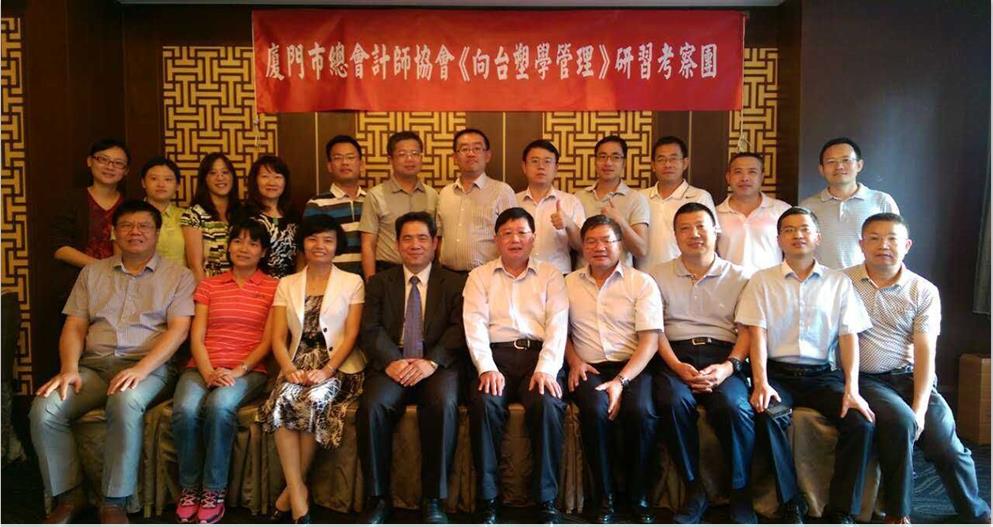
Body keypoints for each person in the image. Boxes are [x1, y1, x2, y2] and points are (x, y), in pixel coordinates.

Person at [30, 199, 195, 524]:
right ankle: (69, 496)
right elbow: (75, 326)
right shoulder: (92, 273)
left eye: (144, 226)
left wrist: (140, 369)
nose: (135, 232)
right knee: (45, 409)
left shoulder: (179, 276)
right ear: (113, 232)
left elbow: (178, 331)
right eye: (127, 226)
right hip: (93, 367)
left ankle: (114, 502)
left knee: (124, 401)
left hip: (149, 368)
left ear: (157, 233)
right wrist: (69, 369)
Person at [845, 213, 991, 524]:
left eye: (892, 239)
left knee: (947, 447)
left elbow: (926, 352)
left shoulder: (923, 290)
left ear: (907, 245)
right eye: (874, 238)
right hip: (867, 379)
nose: (883, 245)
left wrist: (921, 409)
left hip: (911, 377)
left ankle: (976, 514)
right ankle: (898, 513)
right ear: (861, 244)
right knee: (902, 422)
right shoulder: (843, 283)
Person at [736, 206, 875, 524]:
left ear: (818, 238)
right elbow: (757, 334)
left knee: (860, 422)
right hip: (778, 375)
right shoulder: (762, 281)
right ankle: (790, 503)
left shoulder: (838, 282)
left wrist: (852, 388)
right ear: (778, 239)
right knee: (768, 415)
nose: (797, 235)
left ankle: (841, 509)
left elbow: (848, 337)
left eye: (804, 229)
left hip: (822, 376)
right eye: (789, 230)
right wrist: (761, 382)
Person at [357, 211, 466, 524]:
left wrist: (431, 362)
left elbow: (459, 328)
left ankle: (434, 499)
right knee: (373, 406)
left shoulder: (455, 283)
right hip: (393, 361)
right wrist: (392, 360)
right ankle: (378, 499)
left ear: (434, 243)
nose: (415, 245)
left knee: (443, 404)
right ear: (397, 244)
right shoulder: (379, 283)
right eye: (407, 238)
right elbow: (370, 329)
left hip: (436, 364)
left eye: (422, 238)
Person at [650, 203, 756, 524]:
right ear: (675, 235)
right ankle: (694, 488)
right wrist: (676, 365)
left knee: (734, 407)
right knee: (672, 402)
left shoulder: (740, 277)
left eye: (701, 226)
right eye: (685, 228)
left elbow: (748, 330)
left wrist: (728, 367)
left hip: (723, 356)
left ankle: (740, 493)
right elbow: (655, 329)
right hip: (674, 356)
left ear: (715, 231)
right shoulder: (656, 275)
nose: (694, 234)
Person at [256, 215, 365, 524]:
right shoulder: (287, 283)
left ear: (337, 246)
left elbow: (352, 335)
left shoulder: (352, 282)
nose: (320, 245)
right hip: (296, 362)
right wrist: (288, 369)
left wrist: (327, 370)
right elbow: (278, 337)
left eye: (328, 240)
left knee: (315, 399)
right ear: (303, 243)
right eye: (313, 238)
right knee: (284, 401)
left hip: (338, 365)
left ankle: (288, 496)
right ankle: (297, 493)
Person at [463, 207, 569, 524]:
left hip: (539, 357)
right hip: (495, 357)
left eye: (522, 232)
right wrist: (486, 367)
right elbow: (474, 325)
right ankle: (488, 499)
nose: (515, 239)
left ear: (533, 238)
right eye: (507, 233)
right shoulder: (479, 276)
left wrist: (546, 368)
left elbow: (558, 325)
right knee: (484, 403)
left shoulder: (551, 275)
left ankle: (546, 500)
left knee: (548, 404)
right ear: (496, 240)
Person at [171, 219, 278, 523]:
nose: (244, 248)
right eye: (238, 241)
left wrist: (238, 370)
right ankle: (190, 487)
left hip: (248, 370)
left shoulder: (274, 287)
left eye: (253, 243)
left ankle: (214, 490)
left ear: (263, 252)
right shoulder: (209, 284)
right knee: (185, 410)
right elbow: (197, 336)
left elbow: (268, 341)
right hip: (202, 367)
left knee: (219, 407)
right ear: (228, 247)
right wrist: (208, 372)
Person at [565, 215, 662, 524]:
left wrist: (621, 381)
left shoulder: (641, 282)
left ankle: (638, 494)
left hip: (632, 366)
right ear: (582, 246)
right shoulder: (567, 283)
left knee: (642, 412)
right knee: (595, 411)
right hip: (588, 366)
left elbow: (650, 341)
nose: (599, 247)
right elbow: (558, 332)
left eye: (607, 240)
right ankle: (604, 496)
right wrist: (574, 361)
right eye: (591, 241)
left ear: (621, 245)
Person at [799, 137, 899, 269]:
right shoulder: (807, 207)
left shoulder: (881, 201)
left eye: (846, 160)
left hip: (868, 279)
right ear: (821, 169)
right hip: (823, 280)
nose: (839, 167)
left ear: (859, 165)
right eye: (831, 162)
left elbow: (896, 244)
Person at [436, 128, 517, 273]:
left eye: (477, 148)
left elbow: (513, 237)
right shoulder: (445, 193)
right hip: (447, 275)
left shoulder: (502, 192)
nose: (471, 153)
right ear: (455, 157)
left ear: (487, 155)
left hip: (487, 276)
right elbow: (440, 236)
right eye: (464, 149)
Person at [359, 131, 439, 278]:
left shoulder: (432, 195)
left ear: (421, 158)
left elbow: (436, 239)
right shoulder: (375, 195)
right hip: (387, 271)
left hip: (425, 273)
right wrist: (372, 282)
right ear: (390, 159)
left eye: (415, 153)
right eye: (402, 154)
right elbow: (368, 244)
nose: (410, 159)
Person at [638, 136, 716, 271]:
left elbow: (712, 240)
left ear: (685, 163)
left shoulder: (700, 197)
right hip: (646, 275)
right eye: (661, 159)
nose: (667, 164)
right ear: (653, 165)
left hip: (686, 275)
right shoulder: (640, 198)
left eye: (673, 159)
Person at [574, 135, 650, 269]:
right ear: (595, 161)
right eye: (602, 156)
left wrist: (620, 221)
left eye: (615, 157)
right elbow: (574, 245)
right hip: (583, 276)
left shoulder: (636, 199)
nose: (608, 163)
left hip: (621, 277)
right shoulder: (578, 197)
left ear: (624, 163)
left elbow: (641, 250)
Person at [52, 138, 128, 270]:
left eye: (118, 163)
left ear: (126, 170)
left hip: (121, 279)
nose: (110, 167)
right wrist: (103, 269)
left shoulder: (130, 206)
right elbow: (59, 248)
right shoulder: (71, 200)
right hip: (77, 277)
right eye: (103, 159)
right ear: (89, 161)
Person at [715, 152, 791, 276]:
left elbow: (793, 251)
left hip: (770, 283)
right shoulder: (715, 214)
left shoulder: (781, 210)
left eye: (752, 172)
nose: (745, 178)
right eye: (738, 172)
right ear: (728, 177)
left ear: (762, 177)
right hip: (729, 284)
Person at [515, 140, 585, 274]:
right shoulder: (512, 201)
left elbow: (583, 247)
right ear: (524, 166)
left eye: (547, 161)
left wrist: (569, 224)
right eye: (534, 161)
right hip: (520, 275)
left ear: (556, 167)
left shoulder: (571, 202)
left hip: (559, 275)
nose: (541, 166)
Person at [303, 135, 366, 277]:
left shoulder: (372, 201)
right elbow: (306, 250)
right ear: (330, 166)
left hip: (369, 280)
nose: (345, 163)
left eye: (350, 157)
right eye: (338, 158)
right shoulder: (317, 204)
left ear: (361, 164)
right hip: (331, 281)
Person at [181, 153, 242, 282]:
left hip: (242, 286)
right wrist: (206, 292)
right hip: (210, 286)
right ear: (204, 179)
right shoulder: (194, 215)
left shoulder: (243, 212)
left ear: (232, 177)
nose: (220, 177)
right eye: (213, 173)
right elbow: (195, 266)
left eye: (225, 172)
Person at [242, 154, 299, 278]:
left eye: (278, 177)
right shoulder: (245, 215)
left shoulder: (294, 215)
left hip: (289, 284)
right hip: (255, 283)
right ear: (255, 180)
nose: (272, 182)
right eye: (265, 176)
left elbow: (301, 255)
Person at [139, 156, 187, 267]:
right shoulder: (129, 214)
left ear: (177, 186)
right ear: (143, 182)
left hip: (179, 277)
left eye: (168, 179)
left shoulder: (186, 217)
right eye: (154, 178)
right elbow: (120, 257)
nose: (161, 184)